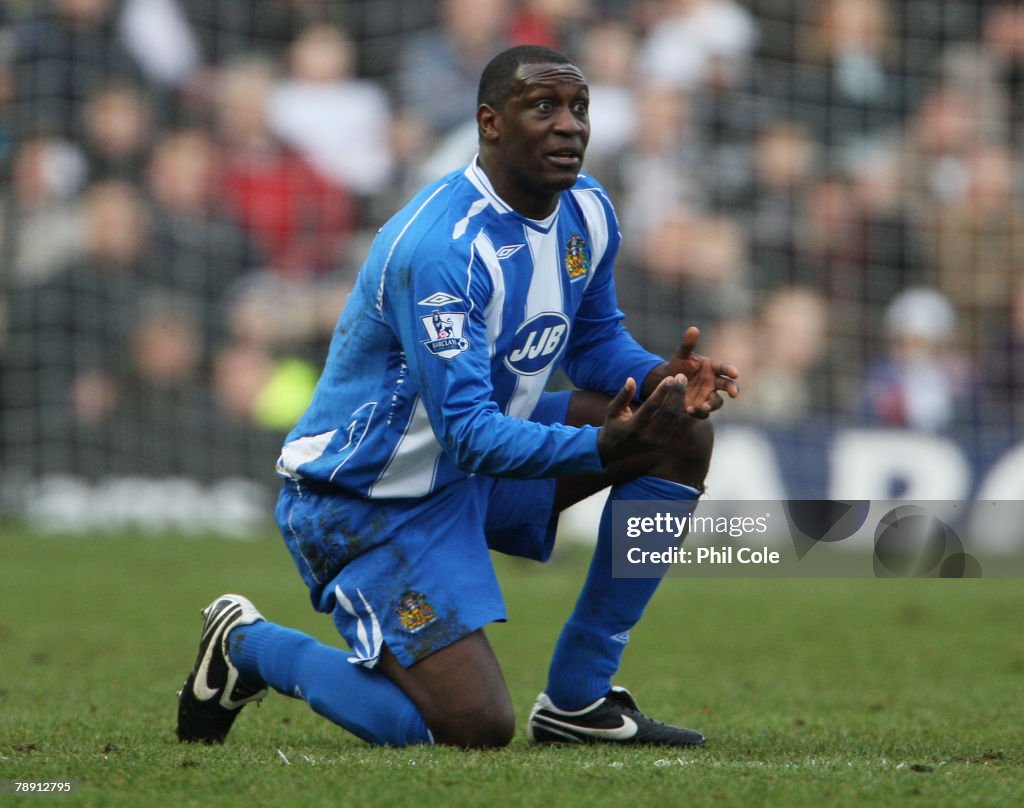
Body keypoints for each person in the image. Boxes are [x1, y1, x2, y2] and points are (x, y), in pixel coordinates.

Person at [175, 45, 739, 749]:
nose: (570, 127)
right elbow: (470, 431)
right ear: (490, 123)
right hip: (368, 497)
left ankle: (579, 699)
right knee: (472, 728)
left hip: (470, 468)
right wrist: (601, 445)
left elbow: (594, 345)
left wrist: (664, 380)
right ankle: (248, 645)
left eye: (579, 109)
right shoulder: (444, 248)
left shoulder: (587, 211)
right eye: (544, 108)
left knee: (679, 433)